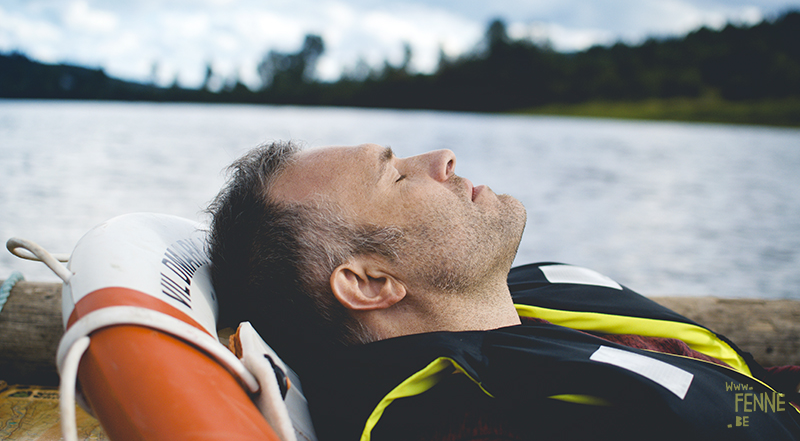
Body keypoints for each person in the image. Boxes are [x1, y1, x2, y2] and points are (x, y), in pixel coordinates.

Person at [208, 140, 800, 440]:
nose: (441, 157)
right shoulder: (483, 419)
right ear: (370, 282)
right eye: (396, 175)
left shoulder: (519, 313)